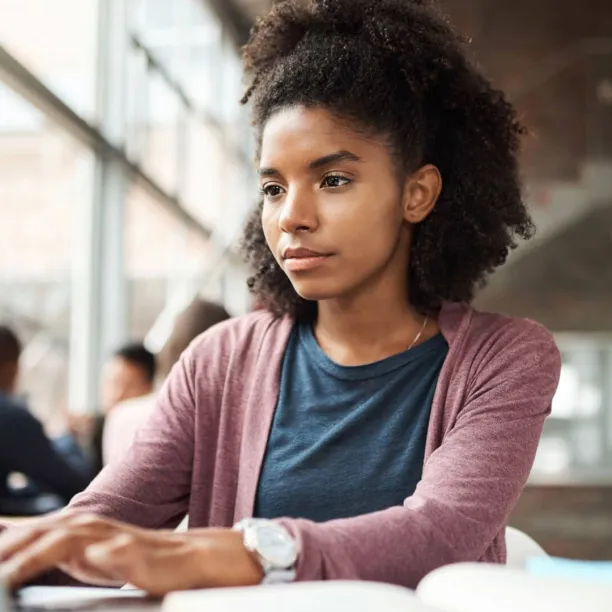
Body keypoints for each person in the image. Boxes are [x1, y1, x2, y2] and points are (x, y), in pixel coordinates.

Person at [0, 0, 561, 595]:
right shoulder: (220, 360)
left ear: (416, 193)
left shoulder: (506, 359)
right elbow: (97, 526)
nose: (291, 217)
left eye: (333, 179)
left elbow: (439, 535)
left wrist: (236, 552)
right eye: (272, 186)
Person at [102, 300, 230, 466]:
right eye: (112, 383)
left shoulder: (123, 417)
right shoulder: (221, 423)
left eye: (128, 384)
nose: (116, 393)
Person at [0, 326, 90, 514]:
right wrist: (72, 442)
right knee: (55, 505)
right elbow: (74, 485)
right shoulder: (13, 417)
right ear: (13, 367)